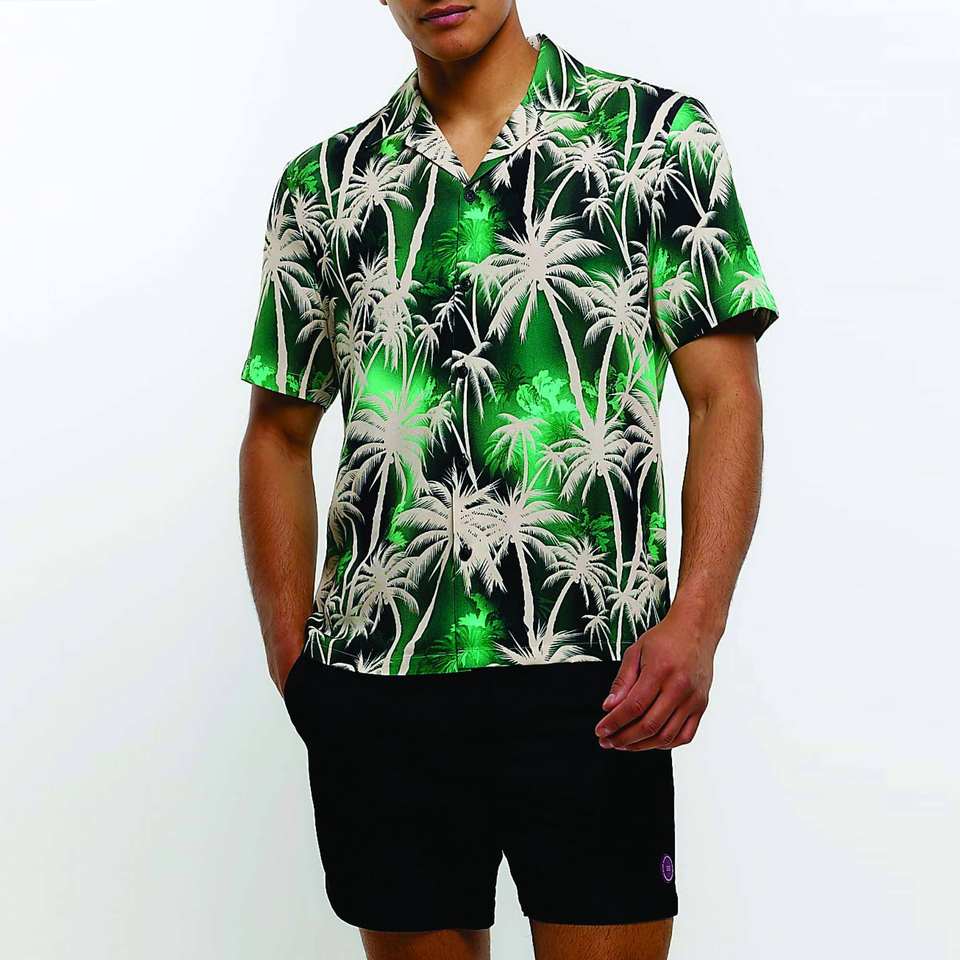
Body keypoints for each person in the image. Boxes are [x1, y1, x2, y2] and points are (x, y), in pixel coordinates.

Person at [238, 2, 779, 957]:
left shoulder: (654, 138)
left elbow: (724, 396)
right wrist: (298, 669)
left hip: (596, 676)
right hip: (381, 680)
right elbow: (277, 435)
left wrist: (697, 622)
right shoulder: (324, 185)